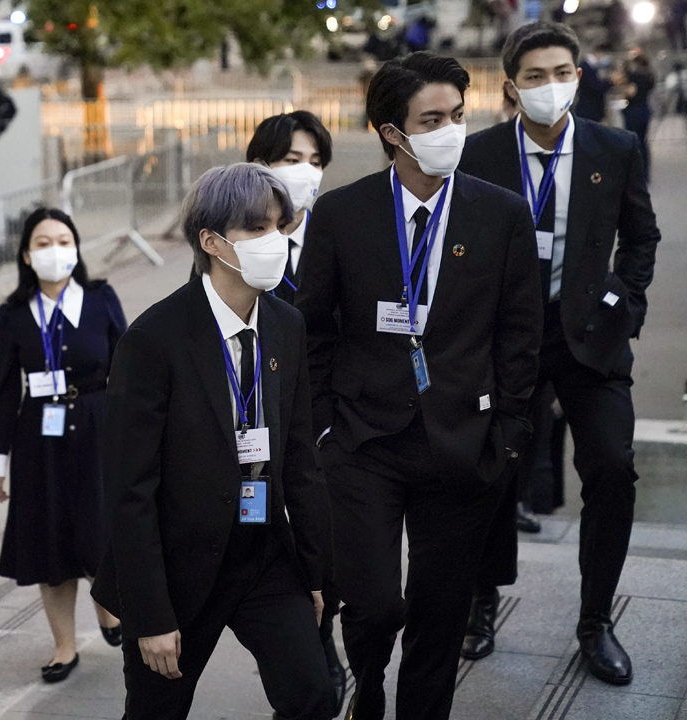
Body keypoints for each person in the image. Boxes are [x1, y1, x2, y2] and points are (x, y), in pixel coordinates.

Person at [295, 52, 542, 720]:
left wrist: (510, 436)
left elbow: (521, 336)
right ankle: (367, 687)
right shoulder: (344, 215)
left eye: (458, 116)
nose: (451, 131)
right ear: (391, 133)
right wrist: (322, 429)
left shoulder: (502, 215)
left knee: (440, 616)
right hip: (362, 443)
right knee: (375, 602)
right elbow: (312, 331)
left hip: (464, 445)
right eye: (431, 119)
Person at [93, 162, 335, 720]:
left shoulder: (285, 324)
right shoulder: (153, 339)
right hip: (177, 564)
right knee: (156, 711)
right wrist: (150, 616)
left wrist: (318, 575)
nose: (274, 240)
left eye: (280, 225)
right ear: (212, 242)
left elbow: (300, 460)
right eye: (256, 229)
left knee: (312, 695)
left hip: (265, 554)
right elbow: (130, 491)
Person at [459, 21, 661, 685]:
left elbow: (641, 237)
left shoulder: (616, 147)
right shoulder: (479, 153)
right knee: (489, 473)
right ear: (512, 87)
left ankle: (595, 620)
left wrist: (623, 307)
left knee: (612, 465)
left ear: (581, 75)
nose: (551, 86)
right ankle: (479, 603)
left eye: (562, 73)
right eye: (536, 76)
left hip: (589, 340)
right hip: (503, 341)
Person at [0, 207, 127, 683]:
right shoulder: (14, 313)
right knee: (50, 543)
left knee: (101, 531)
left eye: (63, 239)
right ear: (26, 255)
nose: (54, 250)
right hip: (37, 438)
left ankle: (107, 606)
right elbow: (5, 387)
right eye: (42, 242)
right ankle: (64, 645)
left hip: (98, 428)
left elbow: (128, 374)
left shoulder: (101, 299)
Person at [244, 111, 347, 715]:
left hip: (327, 428)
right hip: (257, 432)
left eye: (314, 161)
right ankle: (294, 652)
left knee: (321, 543)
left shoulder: (337, 236)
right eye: (289, 160)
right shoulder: (237, 243)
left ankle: (323, 643)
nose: (303, 173)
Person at [245, 111, 333, 307]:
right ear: (260, 166)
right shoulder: (231, 237)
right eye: (293, 160)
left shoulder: (333, 236)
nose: (307, 172)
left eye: (315, 163)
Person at [619, 51, 655, 179]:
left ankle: (636, 173)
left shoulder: (634, 77)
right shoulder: (649, 76)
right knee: (643, 142)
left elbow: (630, 93)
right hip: (645, 110)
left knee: (633, 142)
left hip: (634, 111)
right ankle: (645, 172)